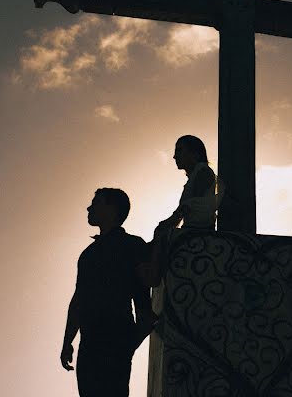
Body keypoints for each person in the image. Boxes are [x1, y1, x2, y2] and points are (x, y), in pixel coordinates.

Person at [60, 188, 155, 397]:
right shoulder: (88, 255)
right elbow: (78, 300)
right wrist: (68, 342)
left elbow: (144, 305)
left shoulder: (132, 245)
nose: (89, 207)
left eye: (96, 202)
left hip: (115, 338)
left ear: (112, 210)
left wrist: (126, 347)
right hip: (89, 345)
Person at [141, 135, 217, 287]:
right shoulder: (196, 176)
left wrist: (170, 222)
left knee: (160, 233)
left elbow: (192, 205)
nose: (175, 156)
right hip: (193, 230)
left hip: (198, 232)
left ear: (195, 153)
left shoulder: (203, 172)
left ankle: (153, 278)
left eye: (180, 150)